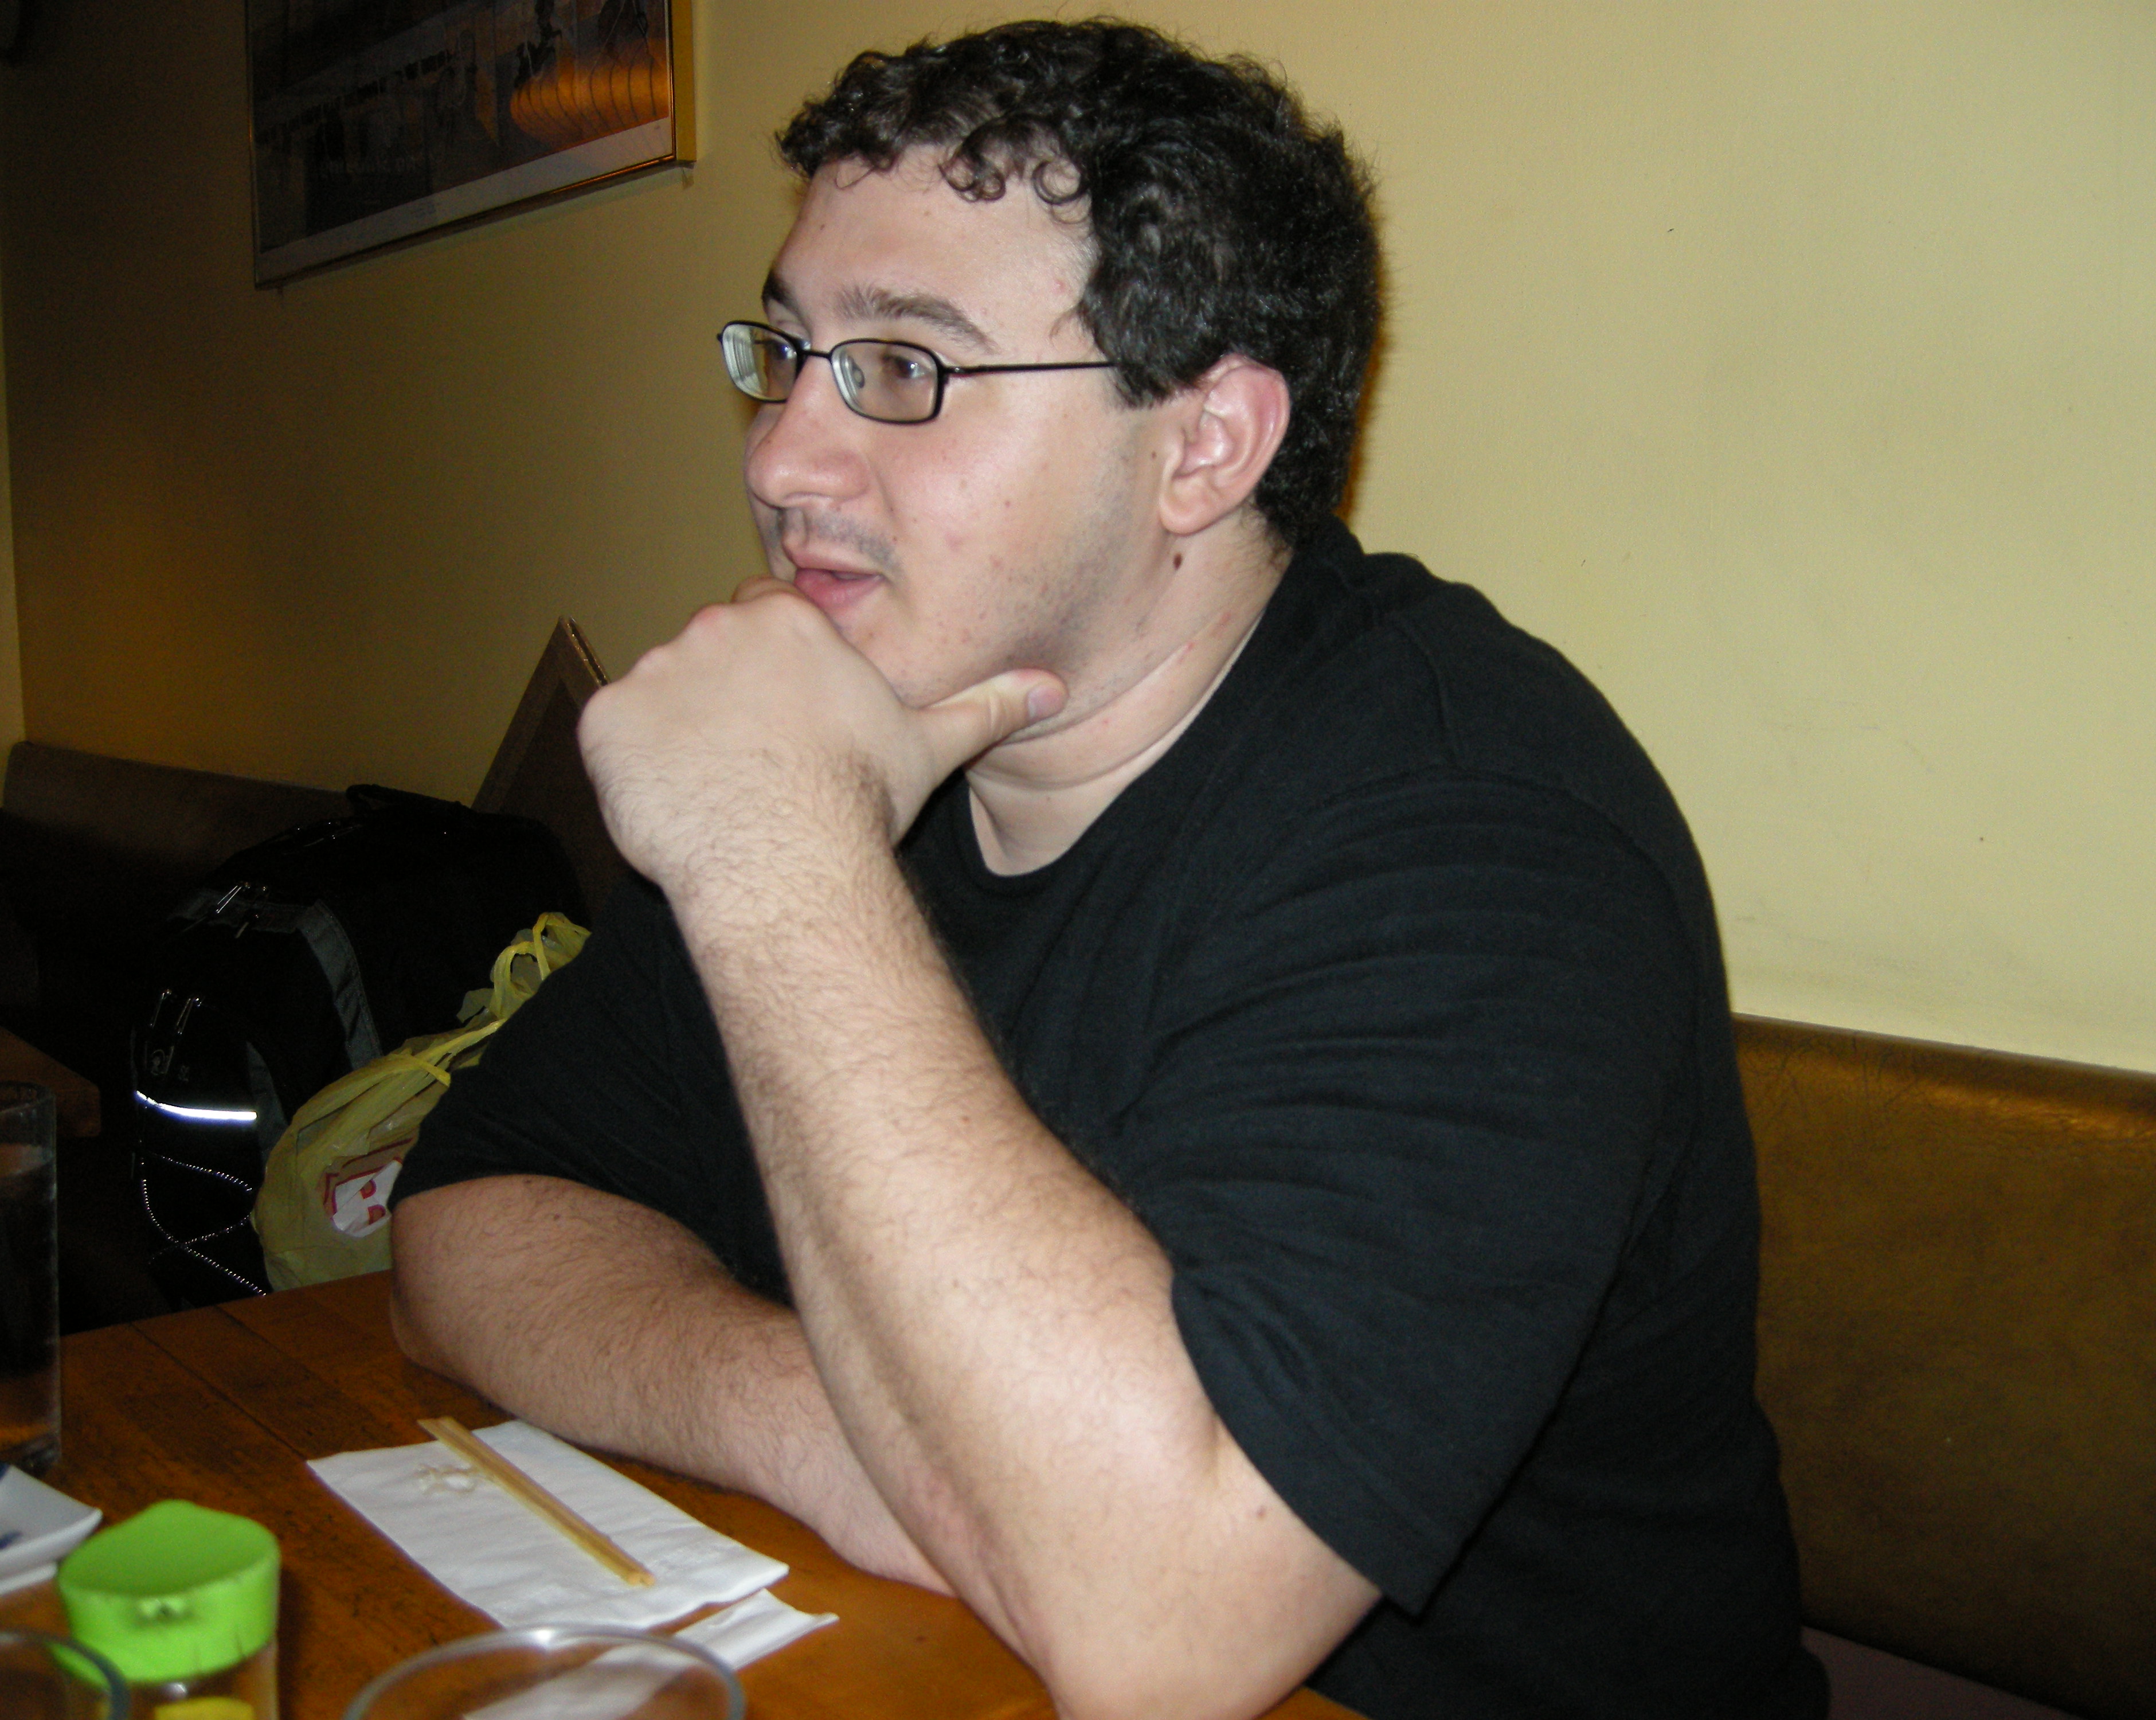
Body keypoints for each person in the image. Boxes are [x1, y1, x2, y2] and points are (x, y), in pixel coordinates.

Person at [390, 19, 1824, 1720]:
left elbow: (1166, 1625)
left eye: (904, 367)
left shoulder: (1485, 829)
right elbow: (464, 1222)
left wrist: (779, 855)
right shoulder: (855, 744)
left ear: (1203, 446)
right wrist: (849, 1436)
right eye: (786, 353)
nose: (779, 459)